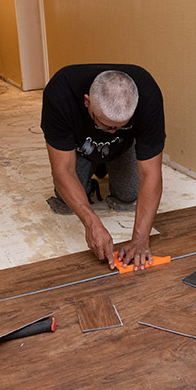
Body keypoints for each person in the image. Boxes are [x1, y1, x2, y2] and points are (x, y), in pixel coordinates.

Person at [41, 64, 165, 270]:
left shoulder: (148, 93)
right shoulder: (60, 93)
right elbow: (63, 170)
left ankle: (106, 163)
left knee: (129, 196)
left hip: (123, 148)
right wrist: (92, 223)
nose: (112, 131)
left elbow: (150, 173)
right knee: (66, 200)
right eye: (106, 125)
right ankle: (94, 165)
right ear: (87, 102)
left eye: (121, 126)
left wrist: (141, 240)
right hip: (80, 147)